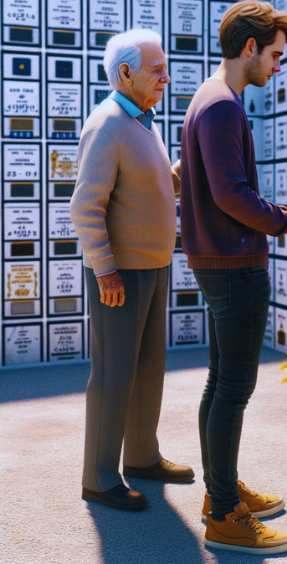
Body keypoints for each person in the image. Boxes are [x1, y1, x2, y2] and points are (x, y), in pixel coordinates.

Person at [179, 0, 287, 555]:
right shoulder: (222, 106)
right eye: (275, 55)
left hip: (219, 259)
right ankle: (223, 512)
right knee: (234, 388)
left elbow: (223, 188)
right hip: (234, 264)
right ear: (249, 49)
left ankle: (220, 488)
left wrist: (277, 216)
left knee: (220, 383)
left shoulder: (210, 97)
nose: (279, 66)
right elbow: (228, 193)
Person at [71, 29, 193, 511]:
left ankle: (141, 455)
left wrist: (188, 169)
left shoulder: (144, 121)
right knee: (113, 374)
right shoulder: (107, 124)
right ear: (125, 73)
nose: (166, 76)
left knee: (147, 370)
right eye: (156, 68)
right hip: (120, 274)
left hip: (154, 267)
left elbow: (159, 186)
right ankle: (99, 477)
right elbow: (85, 207)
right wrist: (105, 270)